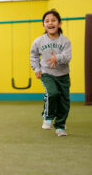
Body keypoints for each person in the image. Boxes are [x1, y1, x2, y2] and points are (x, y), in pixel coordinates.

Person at [30, 9, 72, 137]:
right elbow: (34, 55)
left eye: (53, 20)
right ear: (43, 25)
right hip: (47, 73)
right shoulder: (39, 41)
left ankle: (60, 127)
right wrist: (36, 69)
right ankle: (47, 117)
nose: (50, 23)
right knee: (52, 93)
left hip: (63, 75)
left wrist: (57, 58)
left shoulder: (65, 41)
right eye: (47, 21)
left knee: (64, 102)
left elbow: (67, 56)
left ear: (59, 24)